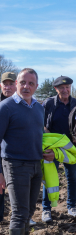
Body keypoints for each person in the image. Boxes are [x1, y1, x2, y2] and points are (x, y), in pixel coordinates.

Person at [0, 68, 54, 235]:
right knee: (19, 212)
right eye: (23, 82)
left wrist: (46, 152)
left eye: (31, 83)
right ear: (16, 83)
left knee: (30, 210)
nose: (26, 86)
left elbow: (38, 135)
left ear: (36, 86)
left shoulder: (38, 108)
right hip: (14, 165)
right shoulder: (6, 108)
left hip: (35, 165)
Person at [42, 76, 76, 222]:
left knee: (72, 177)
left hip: (70, 148)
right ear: (56, 89)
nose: (65, 90)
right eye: (62, 88)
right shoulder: (49, 103)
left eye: (68, 87)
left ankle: (72, 206)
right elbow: (42, 124)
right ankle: (46, 209)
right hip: (52, 147)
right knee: (49, 177)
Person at [0, 72, 17, 223]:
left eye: (11, 84)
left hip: (15, 157)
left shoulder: (22, 104)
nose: (8, 87)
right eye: (5, 84)